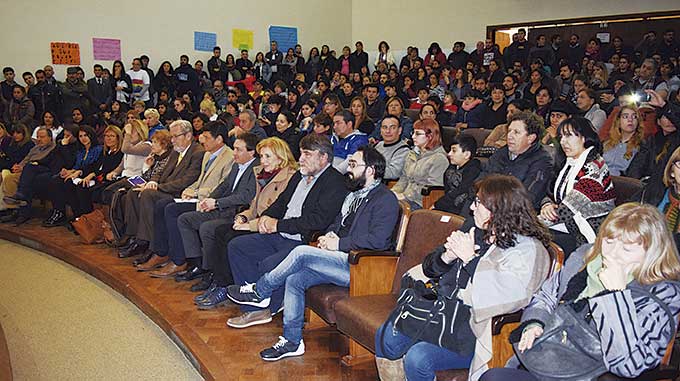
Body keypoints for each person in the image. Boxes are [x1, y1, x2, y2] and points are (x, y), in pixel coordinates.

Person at [227, 146, 398, 360]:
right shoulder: (354, 195)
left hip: (360, 268)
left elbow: (378, 240)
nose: (349, 169)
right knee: (295, 279)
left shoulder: (385, 199)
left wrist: (339, 244)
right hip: (339, 260)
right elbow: (338, 224)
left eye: (354, 165)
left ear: (371, 170)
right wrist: (328, 237)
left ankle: (260, 291)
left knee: (300, 253)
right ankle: (292, 341)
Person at [376, 174, 552, 381]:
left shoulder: (527, 249)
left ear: (498, 207)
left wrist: (470, 258)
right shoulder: (474, 228)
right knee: (385, 335)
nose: (471, 208)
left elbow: (506, 296)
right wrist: (447, 256)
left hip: (478, 328)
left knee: (418, 357)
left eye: (478, 202)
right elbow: (429, 269)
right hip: (446, 313)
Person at [482, 203, 680, 381]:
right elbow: (547, 295)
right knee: (494, 376)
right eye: (609, 241)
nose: (612, 254)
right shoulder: (585, 257)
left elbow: (630, 365)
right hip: (550, 355)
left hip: (594, 371)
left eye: (627, 249)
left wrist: (616, 296)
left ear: (652, 253)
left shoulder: (663, 294)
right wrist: (535, 322)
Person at [225, 134, 347, 328]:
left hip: (304, 242)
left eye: (307, 154)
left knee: (268, 264)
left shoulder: (335, 183)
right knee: (237, 246)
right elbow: (281, 202)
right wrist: (266, 217)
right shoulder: (299, 175)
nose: (301, 159)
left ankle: (263, 307)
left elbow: (317, 221)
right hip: (281, 234)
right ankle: (258, 305)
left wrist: (277, 225)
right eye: (301, 154)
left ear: (323, 158)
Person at [193, 137, 298, 305]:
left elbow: (278, 212)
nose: (262, 161)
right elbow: (254, 205)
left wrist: (250, 225)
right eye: (261, 156)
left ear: (280, 157)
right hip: (256, 221)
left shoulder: (289, 177)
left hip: (269, 226)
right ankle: (221, 283)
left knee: (229, 237)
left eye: (267, 156)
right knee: (220, 231)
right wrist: (243, 217)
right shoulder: (262, 174)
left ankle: (226, 286)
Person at [140, 133, 258, 277]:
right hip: (216, 203)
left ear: (251, 152)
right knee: (178, 214)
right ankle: (191, 263)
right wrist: (209, 199)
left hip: (235, 211)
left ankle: (199, 267)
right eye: (234, 148)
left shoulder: (255, 168)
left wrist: (216, 202)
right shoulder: (237, 165)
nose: (235, 153)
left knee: (197, 223)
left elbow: (245, 196)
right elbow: (223, 185)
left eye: (239, 149)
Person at [117, 120, 204, 258]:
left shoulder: (197, 152)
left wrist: (157, 187)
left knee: (148, 195)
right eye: (171, 137)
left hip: (178, 193)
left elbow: (187, 180)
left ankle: (148, 242)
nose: (173, 140)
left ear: (188, 136)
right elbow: (160, 172)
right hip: (165, 188)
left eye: (176, 136)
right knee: (133, 193)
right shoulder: (176, 151)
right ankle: (134, 237)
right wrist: (152, 182)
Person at [539, 117, 616, 256]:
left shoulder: (594, 168)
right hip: (569, 225)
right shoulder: (569, 162)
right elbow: (550, 194)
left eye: (569, 135)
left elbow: (566, 211)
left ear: (584, 138)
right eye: (561, 136)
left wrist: (529, 224)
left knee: (536, 240)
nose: (563, 141)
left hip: (590, 233)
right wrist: (546, 205)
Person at [481, 111, 554, 209]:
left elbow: (527, 197)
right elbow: (480, 180)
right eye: (509, 131)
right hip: (486, 204)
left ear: (531, 138)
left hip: (514, 214)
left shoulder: (543, 161)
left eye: (516, 132)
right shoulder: (501, 153)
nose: (509, 136)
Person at [43, 125, 104, 227]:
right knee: (57, 181)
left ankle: (83, 218)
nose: (83, 138)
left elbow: (95, 167)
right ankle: (68, 214)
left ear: (91, 136)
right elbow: (75, 165)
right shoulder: (80, 151)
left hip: (91, 176)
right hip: (78, 175)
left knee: (73, 184)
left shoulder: (99, 149)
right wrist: (69, 171)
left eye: (86, 135)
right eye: (80, 136)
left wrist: (77, 172)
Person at [391, 119, 448, 209]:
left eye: (417, 134)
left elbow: (432, 189)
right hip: (405, 198)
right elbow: (404, 178)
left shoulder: (439, 159)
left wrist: (405, 196)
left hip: (421, 202)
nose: (413, 136)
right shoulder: (413, 154)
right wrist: (393, 192)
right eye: (413, 133)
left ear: (430, 136)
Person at [68, 125, 123, 217]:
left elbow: (109, 169)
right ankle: (78, 217)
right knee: (72, 184)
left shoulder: (120, 153)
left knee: (83, 187)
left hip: (110, 180)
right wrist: (80, 171)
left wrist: (92, 175)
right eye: (106, 136)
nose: (108, 139)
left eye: (111, 136)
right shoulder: (106, 151)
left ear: (118, 138)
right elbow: (95, 165)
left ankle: (87, 218)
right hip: (100, 177)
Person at [434, 136, 482, 214]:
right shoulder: (452, 166)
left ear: (467, 154)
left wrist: (438, 204)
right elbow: (448, 190)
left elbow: (461, 191)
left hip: (464, 210)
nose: (449, 154)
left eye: (454, 151)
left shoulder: (474, 170)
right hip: (448, 206)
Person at [603, 104, 644, 176]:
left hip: (623, 183)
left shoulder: (642, 147)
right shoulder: (606, 143)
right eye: (625, 116)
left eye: (634, 117)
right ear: (618, 121)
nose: (630, 120)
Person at [374, 116, 409, 181]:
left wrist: (369, 170)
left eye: (392, 128)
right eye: (385, 127)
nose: (388, 131)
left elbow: (393, 173)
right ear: (380, 130)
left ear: (399, 130)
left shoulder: (403, 150)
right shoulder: (378, 145)